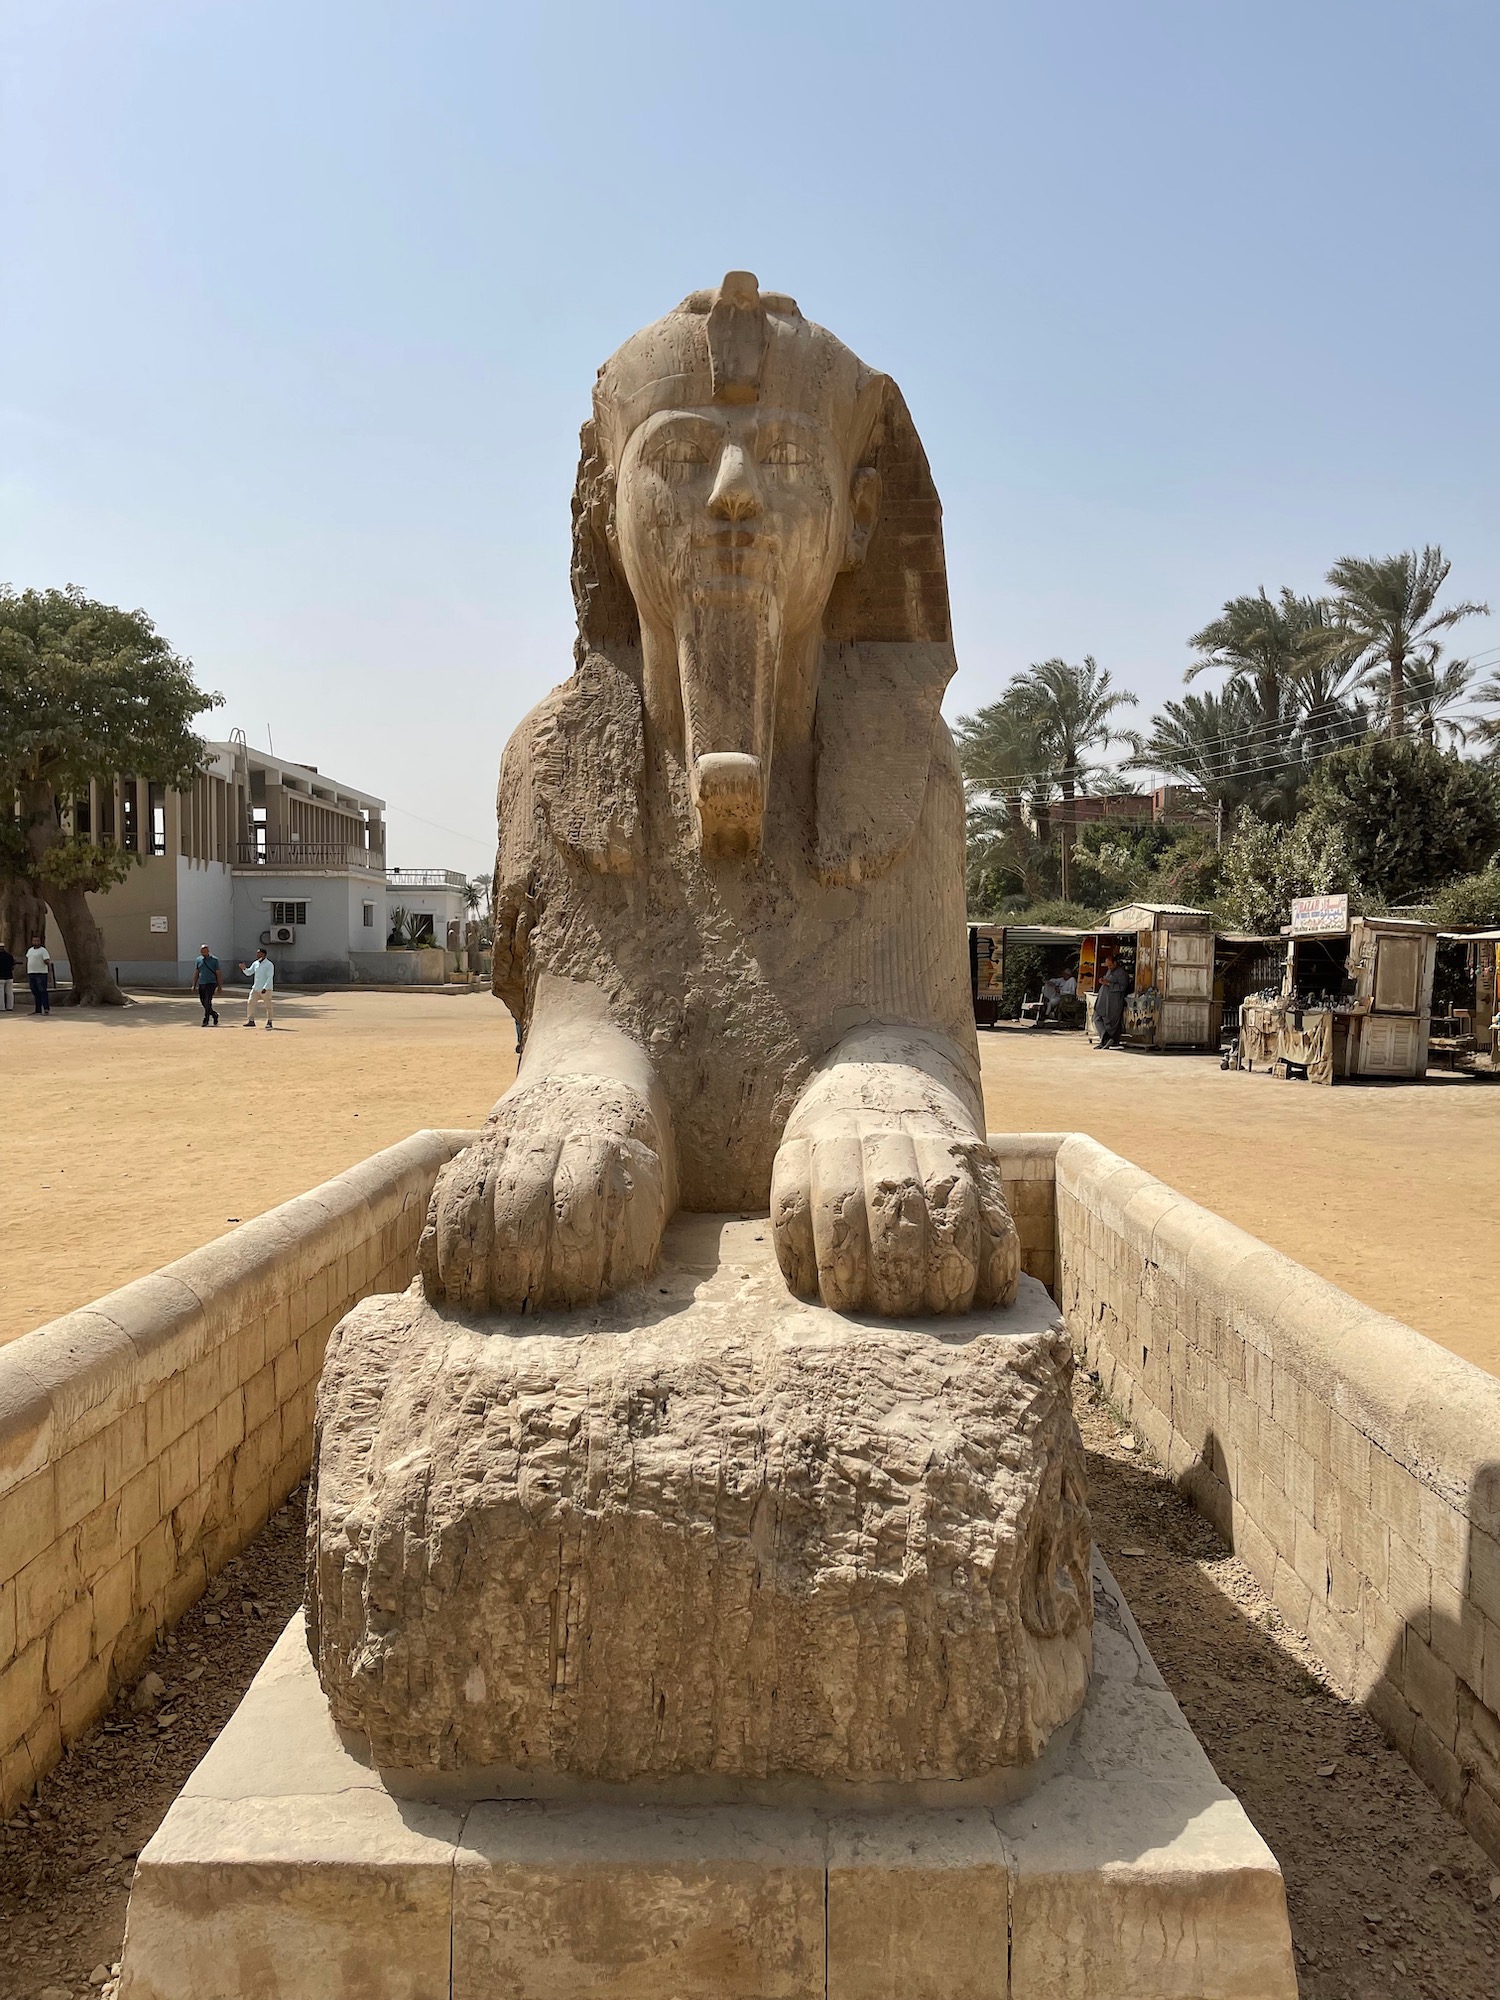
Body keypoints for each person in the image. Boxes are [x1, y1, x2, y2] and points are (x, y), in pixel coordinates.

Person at [1093, 959, 1132, 1050]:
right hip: (1103, 1000)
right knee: (1097, 1018)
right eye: (1108, 966)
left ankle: (1107, 1040)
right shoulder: (1110, 971)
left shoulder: (1121, 973)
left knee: (1110, 1022)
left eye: (1110, 965)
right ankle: (1105, 1038)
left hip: (1113, 1001)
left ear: (1115, 963)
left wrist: (1109, 984)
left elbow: (1123, 987)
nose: (1109, 967)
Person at [238, 947, 275, 1029]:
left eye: (259, 953)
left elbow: (270, 977)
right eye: (257, 953)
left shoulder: (269, 964)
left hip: (266, 989)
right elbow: (249, 972)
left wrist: (265, 987)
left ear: (264, 954)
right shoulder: (255, 963)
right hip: (256, 988)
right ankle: (251, 1020)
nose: (257, 955)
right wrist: (244, 969)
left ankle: (269, 1021)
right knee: (250, 1002)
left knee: (268, 1005)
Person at [26, 938, 53, 1016]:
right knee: (35, 991)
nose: (36, 942)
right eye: (34, 941)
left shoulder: (43, 950)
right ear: (32, 941)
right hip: (31, 972)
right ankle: (38, 1010)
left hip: (41, 973)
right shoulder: (30, 950)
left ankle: (46, 1008)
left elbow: (47, 960)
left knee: (42, 991)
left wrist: (47, 962)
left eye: (37, 941)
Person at [0, 939, 13, 1013]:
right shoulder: (9, 956)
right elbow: (12, 966)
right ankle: (10, 1007)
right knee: (9, 992)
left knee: (1, 993)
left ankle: (2, 1007)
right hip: (9, 976)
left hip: (0, 977)